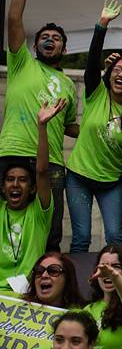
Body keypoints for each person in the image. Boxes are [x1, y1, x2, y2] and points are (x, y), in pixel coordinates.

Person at [0, 0, 77, 253]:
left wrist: (102, 134)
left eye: (55, 38)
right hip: (11, 152)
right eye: (44, 37)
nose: (49, 40)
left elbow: (70, 126)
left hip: (53, 163)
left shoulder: (69, 85)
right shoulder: (21, 63)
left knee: (51, 233)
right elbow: (13, 20)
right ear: (34, 46)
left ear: (64, 48)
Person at [67, 0, 122, 252]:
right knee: (81, 237)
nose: (121, 74)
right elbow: (91, 63)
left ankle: (114, 288)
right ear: (109, 73)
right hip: (79, 177)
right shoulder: (96, 93)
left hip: (111, 182)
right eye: (117, 69)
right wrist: (102, 26)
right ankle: (76, 290)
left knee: (115, 238)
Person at [0, 100, 64, 297]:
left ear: (33, 188)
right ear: (3, 188)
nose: (16, 185)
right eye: (10, 180)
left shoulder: (39, 214)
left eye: (22, 180)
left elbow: (42, 171)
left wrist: (42, 126)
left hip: (28, 295)